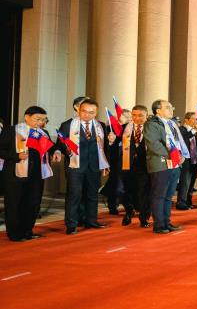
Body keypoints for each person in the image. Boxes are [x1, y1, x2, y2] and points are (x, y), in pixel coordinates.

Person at [2, 106, 61, 241]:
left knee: (33, 203)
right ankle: (15, 234)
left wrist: (56, 152)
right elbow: (1, 150)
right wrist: (16, 156)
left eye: (43, 119)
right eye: (37, 119)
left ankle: (28, 231)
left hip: (36, 174)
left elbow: (51, 147)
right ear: (26, 117)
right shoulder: (12, 131)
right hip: (15, 174)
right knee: (15, 204)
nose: (40, 122)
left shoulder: (42, 132)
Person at [57, 98, 110, 234]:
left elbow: (105, 148)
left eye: (92, 112)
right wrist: (65, 148)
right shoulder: (68, 125)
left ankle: (91, 220)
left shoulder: (101, 126)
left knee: (92, 194)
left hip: (94, 166)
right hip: (75, 166)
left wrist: (112, 142)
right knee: (74, 195)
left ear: (96, 113)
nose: (87, 115)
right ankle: (71, 224)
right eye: (85, 111)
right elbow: (60, 143)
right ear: (79, 110)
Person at [144, 99, 187, 234]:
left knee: (169, 195)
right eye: (167, 107)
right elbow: (154, 144)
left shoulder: (172, 123)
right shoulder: (151, 124)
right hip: (160, 163)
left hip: (174, 163)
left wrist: (182, 154)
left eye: (171, 107)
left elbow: (178, 142)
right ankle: (159, 224)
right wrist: (172, 155)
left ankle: (166, 221)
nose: (171, 110)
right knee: (159, 194)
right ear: (158, 110)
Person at [120, 105, 151, 227]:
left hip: (145, 165)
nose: (136, 118)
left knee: (144, 192)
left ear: (146, 116)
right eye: (134, 115)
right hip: (126, 165)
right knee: (126, 191)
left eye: (140, 115)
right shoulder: (124, 129)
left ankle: (144, 218)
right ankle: (128, 211)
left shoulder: (151, 129)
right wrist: (111, 140)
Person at [176, 112, 197, 210]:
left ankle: (188, 201)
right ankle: (181, 202)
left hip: (195, 159)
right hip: (186, 160)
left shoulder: (195, 131)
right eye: (194, 119)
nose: (196, 121)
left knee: (191, 182)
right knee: (185, 182)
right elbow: (184, 141)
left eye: (196, 119)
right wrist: (193, 132)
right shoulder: (182, 130)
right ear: (186, 120)